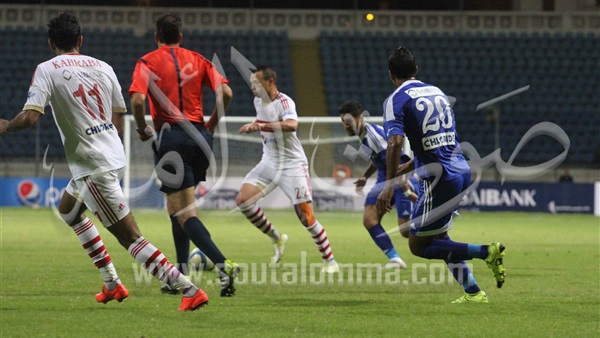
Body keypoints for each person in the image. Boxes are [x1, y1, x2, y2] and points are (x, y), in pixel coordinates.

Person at [0, 12, 207, 311]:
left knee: (130, 237)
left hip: (94, 164)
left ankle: (188, 289)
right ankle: (111, 283)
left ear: (51, 43)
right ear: (80, 40)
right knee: (69, 211)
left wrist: (7, 126)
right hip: (111, 154)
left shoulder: (46, 69)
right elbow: (118, 115)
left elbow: (31, 117)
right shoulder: (104, 66)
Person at [376, 47, 506, 303]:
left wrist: (388, 185)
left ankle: (486, 252)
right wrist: (409, 167)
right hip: (460, 170)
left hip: (439, 179)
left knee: (417, 245)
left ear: (392, 75)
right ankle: (473, 292)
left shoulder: (396, 99)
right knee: (439, 237)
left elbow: (394, 142)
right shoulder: (438, 93)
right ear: (416, 70)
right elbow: (443, 140)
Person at [128, 14, 238, 297]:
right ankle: (180, 274)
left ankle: (222, 264)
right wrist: (211, 124)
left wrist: (142, 128)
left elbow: (138, 99)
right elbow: (225, 93)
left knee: (184, 212)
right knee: (177, 209)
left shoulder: (147, 62)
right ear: (181, 36)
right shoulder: (200, 60)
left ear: (156, 37)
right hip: (200, 137)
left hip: (172, 138)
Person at [236, 65, 339, 273]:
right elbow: (262, 120)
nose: (253, 87)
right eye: (252, 83)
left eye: (257, 83)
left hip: (292, 164)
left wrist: (259, 126)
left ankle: (331, 262)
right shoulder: (258, 101)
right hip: (269, 161)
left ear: (270, 82)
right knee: (243, 201)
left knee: (306, 217)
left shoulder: (285, 102)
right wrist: (253, 124)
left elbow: (292, 125)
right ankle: (277, 238)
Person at [339, 100, 418, 269]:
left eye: (348, 122)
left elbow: (394, 158)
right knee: (370, 219)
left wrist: (402, 181)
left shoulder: (374, 136)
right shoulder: (363, 136)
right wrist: (365, 176)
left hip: (399, 177)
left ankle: (439, 236)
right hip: (385, 178)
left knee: (405, 231)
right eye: (343, 122)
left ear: (360, 118)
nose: (345, 126)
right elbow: (376, 159)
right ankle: (394, 258)